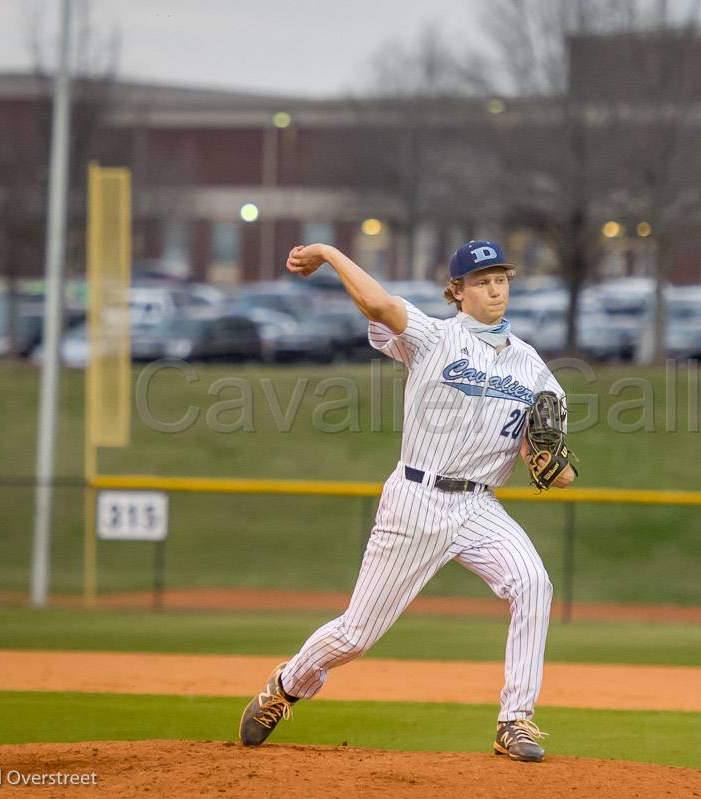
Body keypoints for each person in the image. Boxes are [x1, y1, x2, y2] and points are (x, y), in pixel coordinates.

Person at [239, 240, 577, 763]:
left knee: (533, 583)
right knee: (355, 634)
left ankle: (515, 721)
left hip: (479, 506)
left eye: (501, 279)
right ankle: (284, 687)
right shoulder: (433, 336)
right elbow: (378, 305)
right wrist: (328, 253)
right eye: (482, 281)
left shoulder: (532, 367)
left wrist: (554, 467)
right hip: (416, 498)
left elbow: (549, 454)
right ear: (458, 291)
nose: (494, 288)